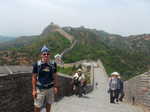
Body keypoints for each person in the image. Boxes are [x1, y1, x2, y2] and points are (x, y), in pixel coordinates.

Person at [32, 45, 59, 112]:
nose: (46, 55)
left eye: (48, 54)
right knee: (37, 106)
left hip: (50, 88)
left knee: (49, 103)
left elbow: (55, 76)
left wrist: (55, 86)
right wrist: (34, 90)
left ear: (49, 55)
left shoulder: (53, 64)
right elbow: (34, 77)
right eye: (44, 54)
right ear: (41, 55)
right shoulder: (37, 64)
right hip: (40, 89)